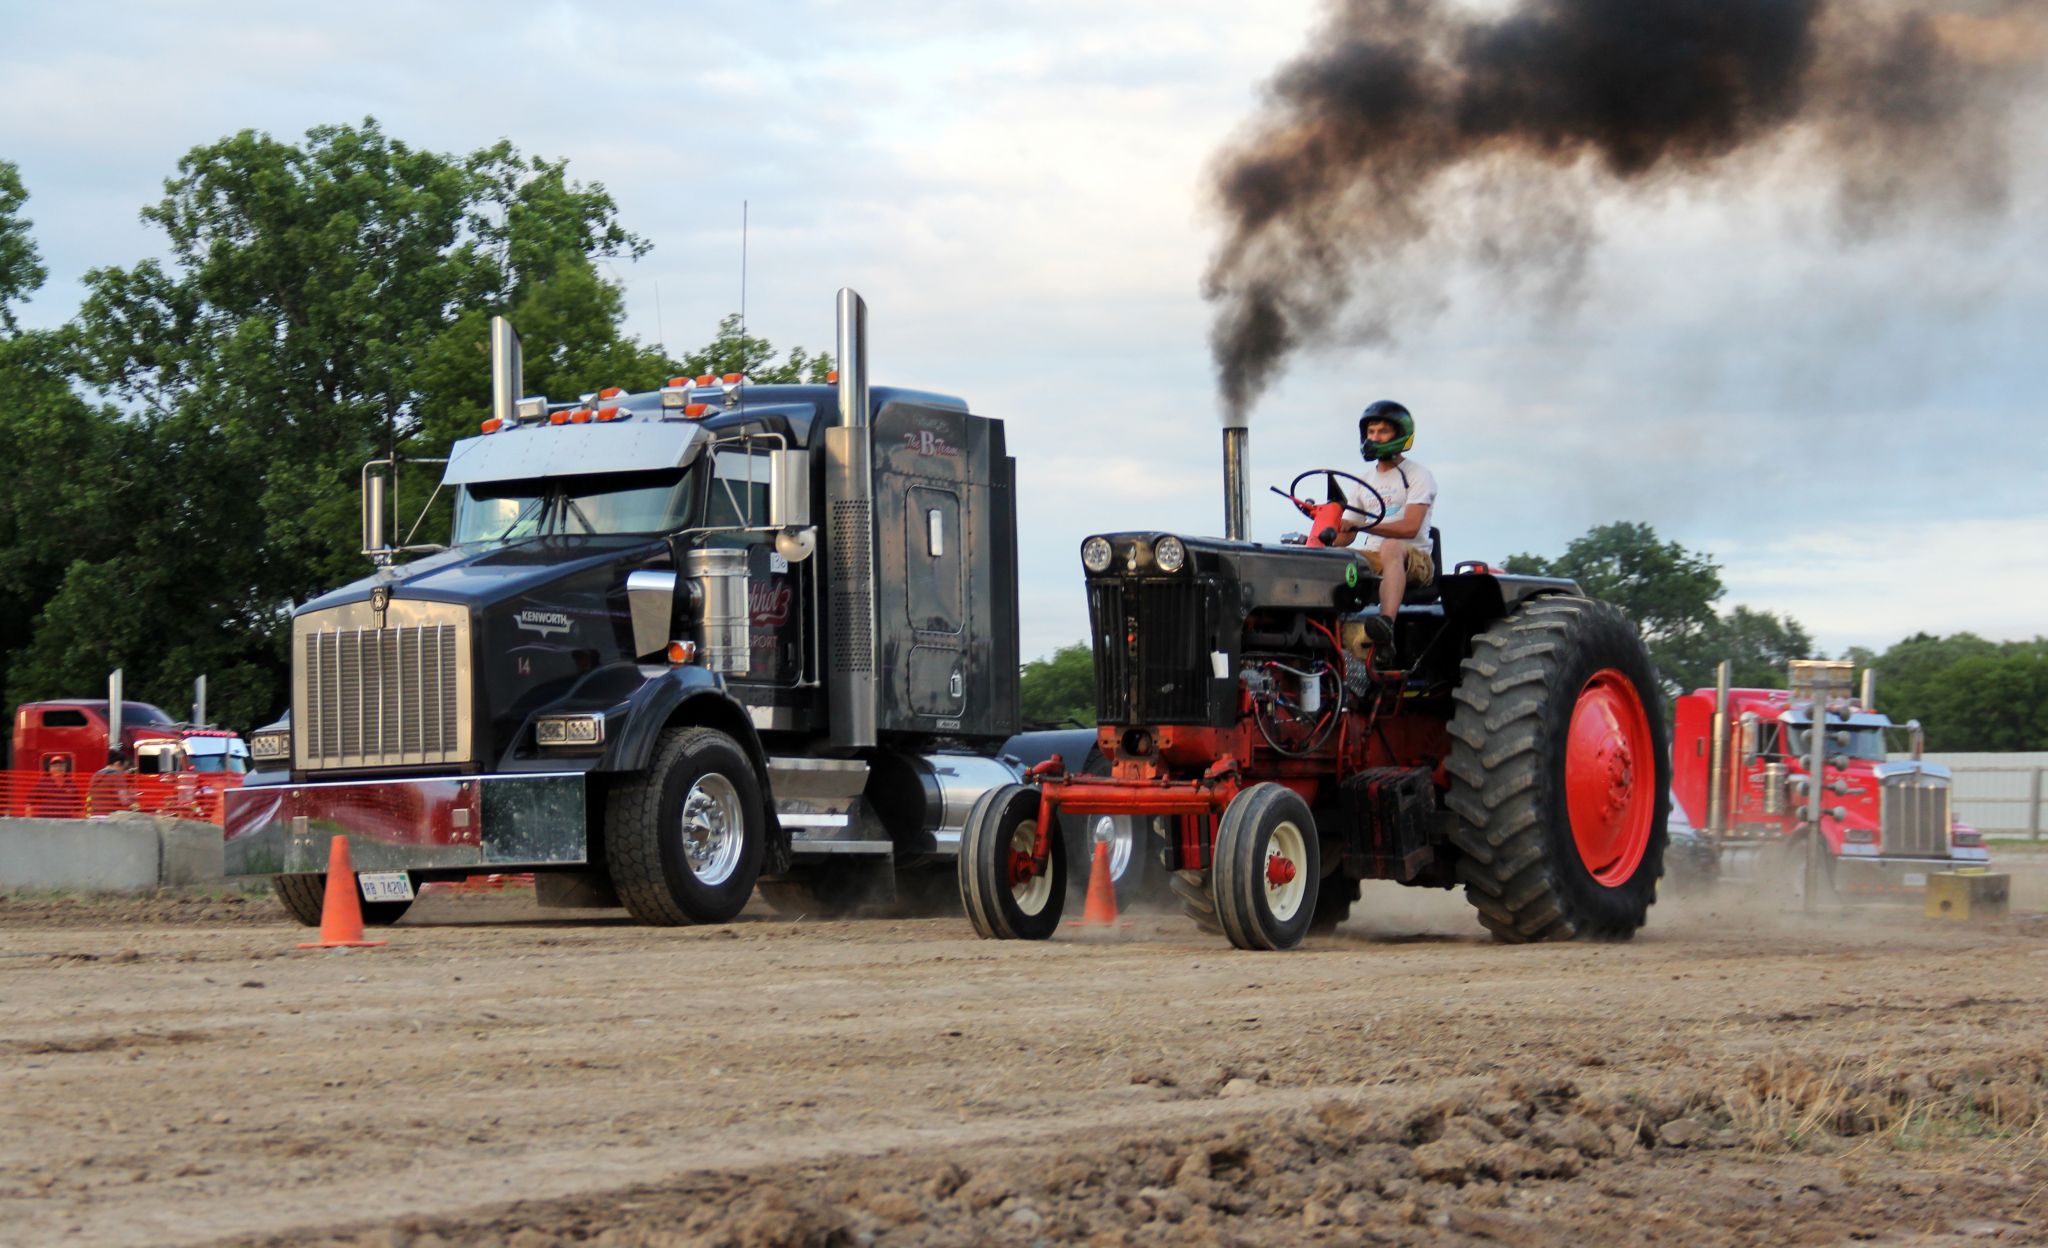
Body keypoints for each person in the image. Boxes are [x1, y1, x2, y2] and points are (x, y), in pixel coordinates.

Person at [1334, 400, 1437, 656]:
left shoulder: (1417, 475)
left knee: (1391, 547)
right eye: (1370, 432)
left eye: (1382, 432)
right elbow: (1346, 536)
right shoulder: (1363, 481)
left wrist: (1362, 525)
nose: (1375, 438)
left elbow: (1410, 528)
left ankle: (1385, 625)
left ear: (1399, 435)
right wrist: (1321, 537)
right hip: (1373, 558)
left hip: (1414, 558)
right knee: (1334, 560)